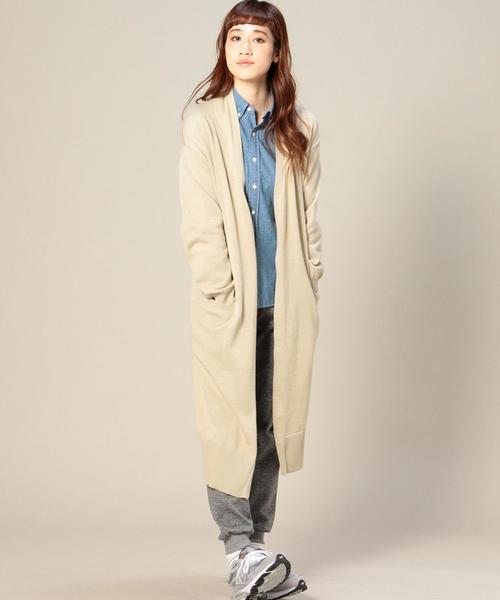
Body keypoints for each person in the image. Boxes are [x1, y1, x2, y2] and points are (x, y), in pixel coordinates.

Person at [178, 1, 324, 598]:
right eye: (235, 36)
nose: (244, 47)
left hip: (284, 304)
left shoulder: (300, 126)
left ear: (276, 51)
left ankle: (255, 549)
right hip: (229, 305)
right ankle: (237, 547)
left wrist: (311, 274)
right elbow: (199, 216)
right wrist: (220, 288)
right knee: (228, 425)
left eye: (258, 38)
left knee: (269, 423)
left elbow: (308, 214)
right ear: (224, 48)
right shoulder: (204, 122)